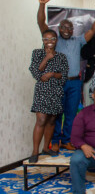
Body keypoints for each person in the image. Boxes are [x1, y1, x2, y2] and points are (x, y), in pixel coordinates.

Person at [37, 0, 95, 152]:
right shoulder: (54, 40)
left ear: (72, 30)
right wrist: (41, 5)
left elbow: (94, 30)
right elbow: (41, 23)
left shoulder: (78, 40)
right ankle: (55, 141)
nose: (67, 30)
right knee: (55, 112)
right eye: (64, 28)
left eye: (69, 28)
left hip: (74, 82)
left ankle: (67, 140)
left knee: (71, 113)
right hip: (57, 82)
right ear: (59, 29)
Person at [28, 29, 69, 163]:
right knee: (41, 120)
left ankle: (46, 147)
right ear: (42, 40)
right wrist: (47, 58)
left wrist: (51, 74)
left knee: (51, 120)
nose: (49, 42)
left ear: (56, 40)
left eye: (52, 39)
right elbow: (35, 72)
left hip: (56, 90)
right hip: (42, 91)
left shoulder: (61, 56)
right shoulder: (37, 53)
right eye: (46, 39)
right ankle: (35, 151)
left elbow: (63, 75)